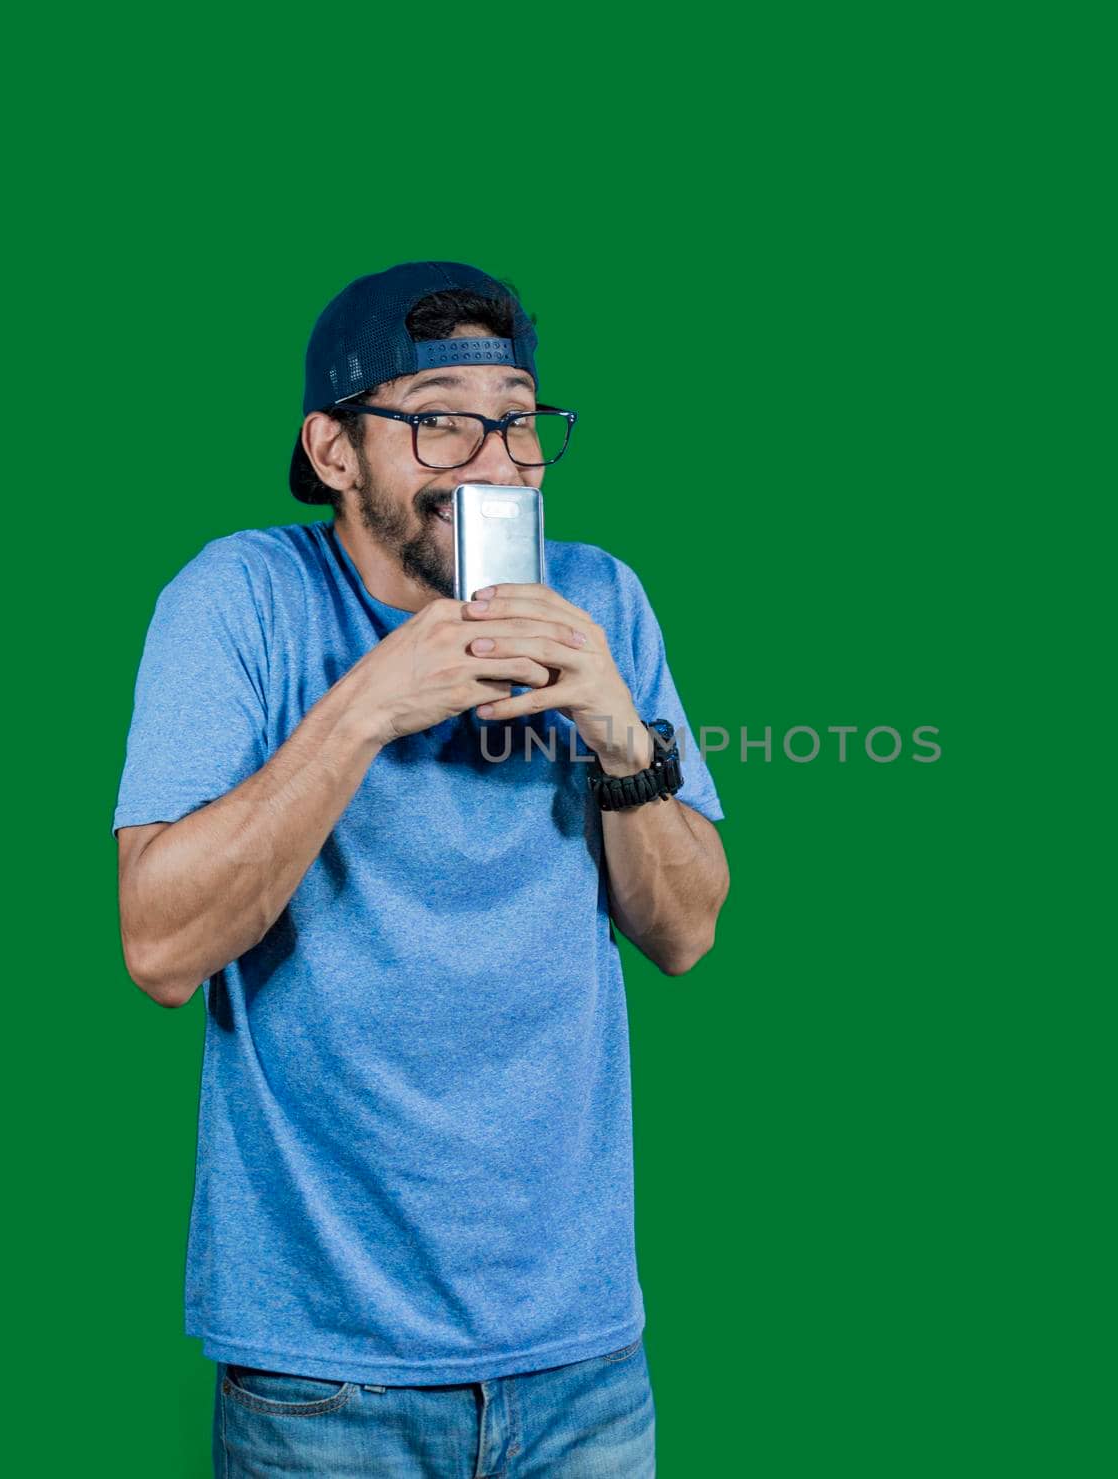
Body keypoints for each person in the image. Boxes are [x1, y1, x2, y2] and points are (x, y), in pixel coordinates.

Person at [111, 261, 730, 1476]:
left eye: (518, 421)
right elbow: (161, 949)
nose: (495, 458)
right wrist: (363, 712)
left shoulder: (597, 599)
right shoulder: (240, 599)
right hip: (325, 1368)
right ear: (336, 452)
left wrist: (618, 734)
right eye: (439, 418)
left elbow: (687, 929)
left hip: (581, 1358)